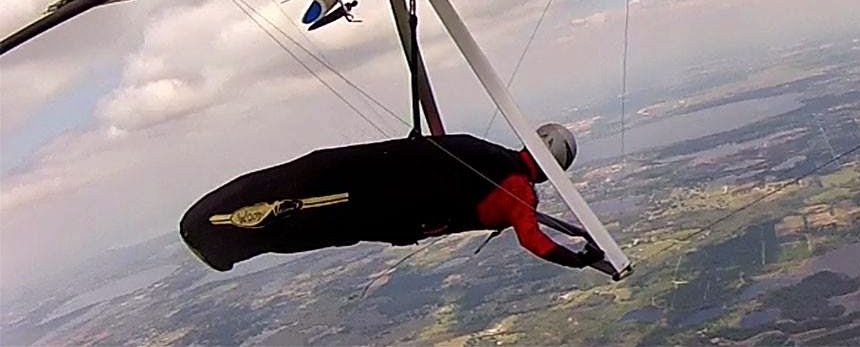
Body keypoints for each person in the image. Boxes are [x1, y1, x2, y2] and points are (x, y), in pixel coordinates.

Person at [180, 124, 604, 272]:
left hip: (368, 168)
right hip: (385, 208)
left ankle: (213, 229)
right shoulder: (518, 189)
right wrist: (579, 259)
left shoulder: (483, 148)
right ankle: (213, 237)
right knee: (307, 219)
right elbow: (535, 241)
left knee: (302, 178)